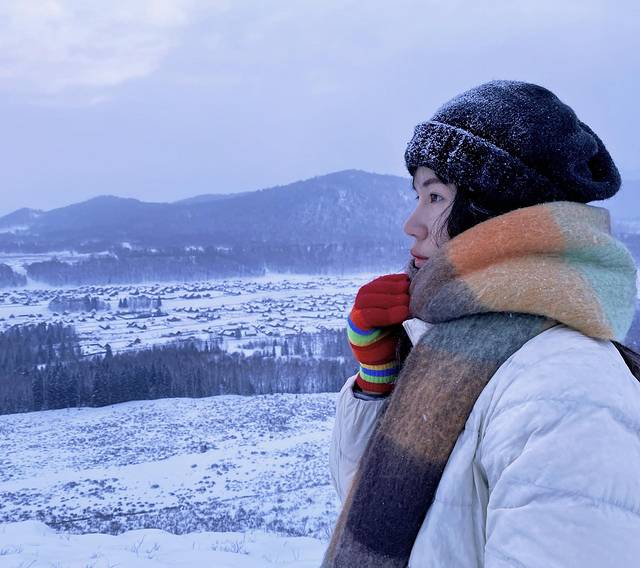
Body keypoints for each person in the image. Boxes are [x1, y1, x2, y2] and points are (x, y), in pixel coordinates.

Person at [322, 80, 640, 567]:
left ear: (496, 209)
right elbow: (386, 513)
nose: (412, 223)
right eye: (418, 196)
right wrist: (377, 382)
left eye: (434, 196)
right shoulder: (461, 349)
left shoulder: (568, 387)